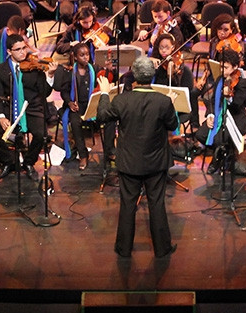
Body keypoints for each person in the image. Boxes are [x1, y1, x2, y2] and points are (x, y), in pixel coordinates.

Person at [96, 56, 179, 258]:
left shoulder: (122, 99)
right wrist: (171, 104)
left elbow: (102, 116)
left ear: (133, 75)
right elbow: (172, 125)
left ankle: (123, 249)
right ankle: (162, 248)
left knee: (127, 205)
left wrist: (105, 93)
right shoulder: (163, 101)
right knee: (156, 204)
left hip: (129, 162)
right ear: (151, 76)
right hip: (155, 162)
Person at [0, 33, 52, 180]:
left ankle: (29, 162)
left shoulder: (34, 67)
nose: (23, 52)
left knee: (41, 134)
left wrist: (50, 76)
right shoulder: (2, 69)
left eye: (24, 48)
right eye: (18, 49)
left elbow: (44, 92)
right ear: (9, 52)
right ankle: (8, 161)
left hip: (31, 108)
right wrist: (1, 116)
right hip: (9, 109)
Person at [54, 42, 114, 170]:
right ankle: (83, 155)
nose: (86, 57)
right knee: (75, 122)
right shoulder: (70, 72)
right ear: (75, 57)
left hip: (92, 103)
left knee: (110, 119)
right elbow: (63, 91)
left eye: (87, 54)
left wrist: (109, 69)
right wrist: (69, 102)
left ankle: (109, 151)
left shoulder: (95, 68)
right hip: (76, 105)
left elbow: (106, 79)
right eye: (82, 55)